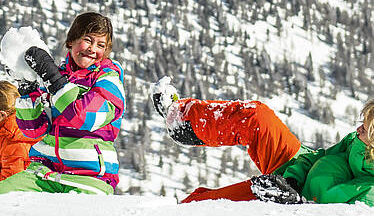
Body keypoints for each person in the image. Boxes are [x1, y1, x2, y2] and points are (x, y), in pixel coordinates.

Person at [150, 77, 374, 206]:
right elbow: (323, 158)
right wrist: (293, 178)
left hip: (288, 202)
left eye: (364, 130)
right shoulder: (356, 141)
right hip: (296, 170)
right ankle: (182, 122)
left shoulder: (369, 195)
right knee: (255, 116)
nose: (357, 130)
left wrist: (294, 199)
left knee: (205, 205)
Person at [0, 12, 125, 195]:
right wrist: (28, 89)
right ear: (71, 41)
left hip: (89, 178)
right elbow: (33, 129)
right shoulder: (56, 77)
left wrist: (54, 79)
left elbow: (84, 118)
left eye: (100, 45)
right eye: (87, 40)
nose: (92, 49)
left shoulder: (108, 79)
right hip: (45, 174)